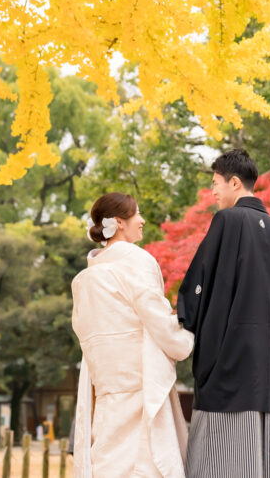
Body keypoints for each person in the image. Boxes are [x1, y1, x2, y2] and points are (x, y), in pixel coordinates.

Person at [177, 149, 270, 478]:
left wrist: (184, 321)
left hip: (230, 369)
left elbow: (199, 284)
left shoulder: (226, 221)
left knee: (221, 464)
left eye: (215, 184)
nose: (212, 192)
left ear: (235, 182)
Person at [72, 193, 195, 478]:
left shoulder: (83, 281)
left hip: (105, 393)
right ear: (119, 223)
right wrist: (188, 336)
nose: (142, 221)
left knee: (107, 463)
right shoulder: (138, 263)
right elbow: (161, 325)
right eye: (137, 214)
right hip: (141, 387)